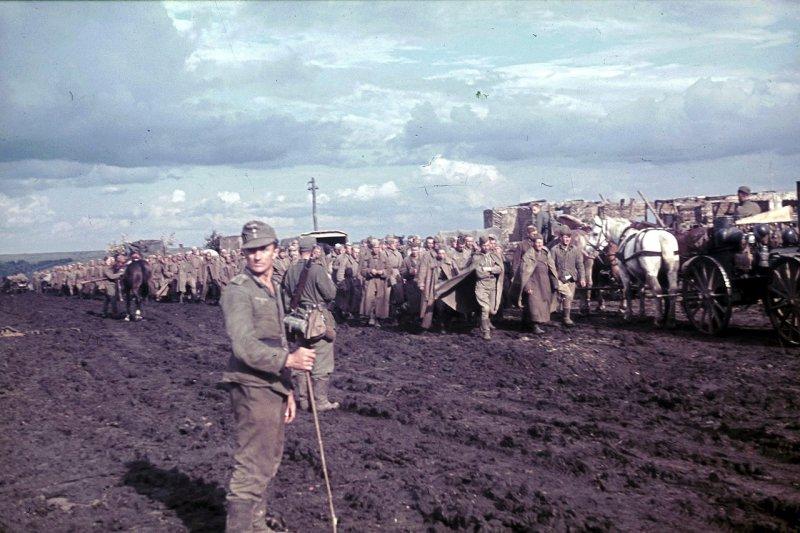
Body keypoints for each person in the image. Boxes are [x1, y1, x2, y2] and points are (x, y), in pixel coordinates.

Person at [219, 220, 316, 532]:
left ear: (276, 250)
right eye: (250, 251)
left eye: (263, 249)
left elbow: (278, 339)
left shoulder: (274, 289)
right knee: (251, 467)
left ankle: (257, 525)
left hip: (271, 385)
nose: (257, 256)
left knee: (268, 460)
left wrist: (286, 389)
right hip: (250, 386)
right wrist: (288, 360)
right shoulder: (239, 291)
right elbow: (244, 345)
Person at [282, 236, 339, 412]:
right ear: (314, 250)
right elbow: (330, 294)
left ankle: (303, 400)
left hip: (298, 320)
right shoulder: (317, 270)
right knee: (321, 360)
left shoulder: (290, 270)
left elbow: (285, 298)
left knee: (302, 357)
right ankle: (320, 401)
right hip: (317, 320)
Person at [516, 235, 558, 334]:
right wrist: (527, 286)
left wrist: (555, 283)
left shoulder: (545, 253)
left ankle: (527, 324)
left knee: (541, 304)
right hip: (533, 283)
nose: (539, 244)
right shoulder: (528, 256)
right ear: (533, 243)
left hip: (544, 284)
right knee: (533, 304)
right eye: (537, 242)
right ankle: (534, 325)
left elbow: (552, 268)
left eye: (541, 242)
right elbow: (525, 272)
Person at [469, 236, 504, 340]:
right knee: (485, 308)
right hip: (481, 286)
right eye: (484, 245)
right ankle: (486, 332)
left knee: (492, 310)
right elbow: (479, 273)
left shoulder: (494, 256)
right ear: (480, 246)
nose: (486, 247)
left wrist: (488, 269)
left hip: (492, 285)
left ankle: (482, 322)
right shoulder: (476, 257)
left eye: (488, 245)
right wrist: (491, 271)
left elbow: (500, 269)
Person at [550, 227, 586, 326]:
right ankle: (563, 317)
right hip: (559, 277)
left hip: (571, 277)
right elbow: (551, 265)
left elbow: (580, 265)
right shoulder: (555, 250)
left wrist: (582, 278)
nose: (566, 239)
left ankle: (566, 317)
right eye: (564, 237)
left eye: (568, 237)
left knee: (568, 297)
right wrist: (555, 277)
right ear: (560, 238)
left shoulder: (575, 249)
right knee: (561, 297)